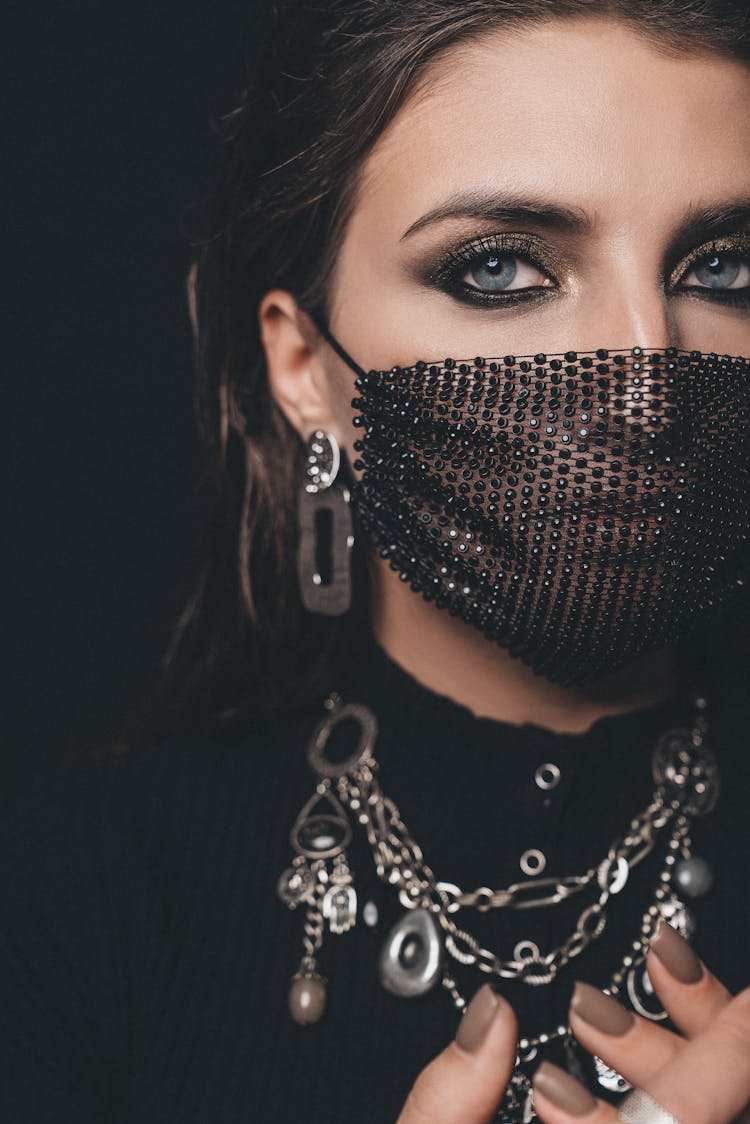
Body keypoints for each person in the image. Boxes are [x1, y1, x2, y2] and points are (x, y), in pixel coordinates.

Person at [3, 1, 750, 1121]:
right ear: (306, 367)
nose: (648, 377)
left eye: (724, 266)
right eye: (501, 270)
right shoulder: (81, 900)